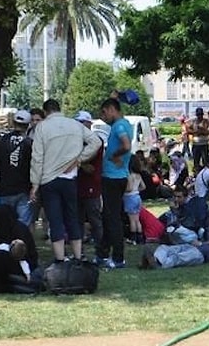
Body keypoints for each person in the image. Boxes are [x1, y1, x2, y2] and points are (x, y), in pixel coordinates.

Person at [29, 99, 102, 262]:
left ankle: (60, 258)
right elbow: (96, 142)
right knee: (73, 218)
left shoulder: (42, 127)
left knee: (55, 220)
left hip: (49, 179)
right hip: (70, 178)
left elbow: (37, 157)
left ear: (46, 112)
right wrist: (79, 159)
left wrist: (35, 184)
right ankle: (78, 255)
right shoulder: (75, 125)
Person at [98, 98, 133, 269]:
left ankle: (118, 258)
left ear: (112, 109)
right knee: (108, 216)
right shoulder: (123, 124)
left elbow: (126, 145)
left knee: (113, 218)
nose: (103, 117)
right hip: (117, 176)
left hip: (113, 177)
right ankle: (102, 254)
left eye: (104, 113)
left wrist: (115, 155)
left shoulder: (119, 126)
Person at [0, 110, 33, 227]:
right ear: (28, 125)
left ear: (13, 123)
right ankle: (21, 243)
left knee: (5, 221)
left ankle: (6, 243)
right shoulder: (30, 143)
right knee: (23, 223)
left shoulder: (2, 141)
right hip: (23, 188)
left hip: (5, 188)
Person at [140, 224, 209, 269]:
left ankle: (159, 265)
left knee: (177, 257)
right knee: (165, 247)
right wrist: (199, 243)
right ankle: (155, 259)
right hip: (194, 247)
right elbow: (203, 244)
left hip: (200, 255)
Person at [74, 111, 104, 256]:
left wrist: (77, 162)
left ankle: (101, 251)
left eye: (81, 122)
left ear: (88, 124)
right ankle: (79, 252)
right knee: (77, 221)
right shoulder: (74, 141)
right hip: (76, 186)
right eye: (77, 123)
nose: (79, 126)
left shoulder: (95, 141)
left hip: (91, 186)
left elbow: (90, 167)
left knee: (95, 221)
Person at [26, 108, 49, 241]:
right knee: (32, 210)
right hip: (32, 176)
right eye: (33, 120)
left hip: (45, 176)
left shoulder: (46, 134)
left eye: (38, 120)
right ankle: (30, 236)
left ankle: (47, 232)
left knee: (46, 211)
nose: (35, 123)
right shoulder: (29, 134)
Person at [124, 154, 147, 245]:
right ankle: (140, 238)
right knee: (137, 219)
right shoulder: (138, 175)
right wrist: (137, 190)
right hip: (137, 197)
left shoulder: (129, 175)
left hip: (130, 197)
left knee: (132, 219)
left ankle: (133, 238)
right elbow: (143, 187)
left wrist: (123, 191)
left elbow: (129, 188)